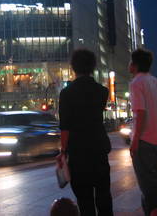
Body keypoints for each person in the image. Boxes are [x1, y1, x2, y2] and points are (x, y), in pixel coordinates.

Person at [56, 48, 113, 216]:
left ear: (73, 67)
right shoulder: (102, 91)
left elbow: (65, 127)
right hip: (99, 149)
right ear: (92, 67)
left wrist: (63, 151)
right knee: (104, 197)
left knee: (84, 200)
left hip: (78, 152)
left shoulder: (66, 94)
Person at [128, 48, 157, 216]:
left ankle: (155, 211)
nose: (129, 64)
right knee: (155, 176)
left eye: (131, 61)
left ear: (135, 64)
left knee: (148, 185)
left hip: (145, 140)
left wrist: (135, 140)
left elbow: (140, 112)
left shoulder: (136, 84)